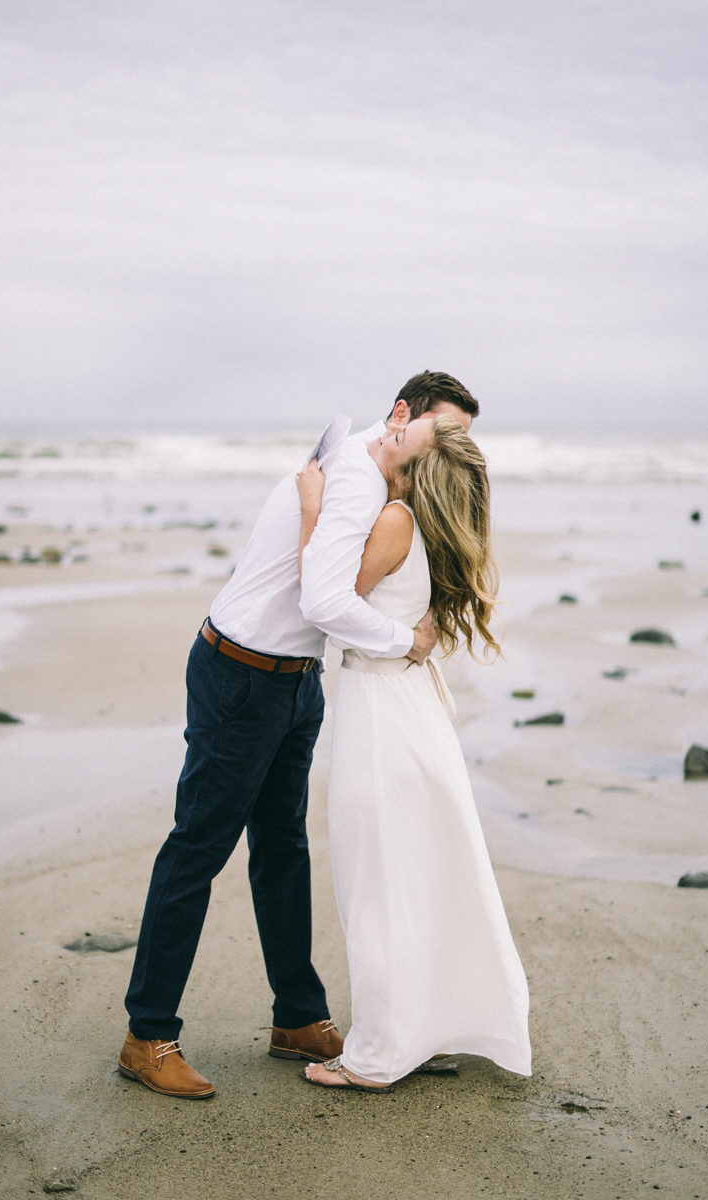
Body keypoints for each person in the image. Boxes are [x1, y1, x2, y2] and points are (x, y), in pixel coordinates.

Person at [118, 372, 479, 1099]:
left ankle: (298, 1018)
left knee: (282, 848)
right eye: (443, 433)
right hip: (241, 675)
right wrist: (404, 642)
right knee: (198, 847)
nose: (448, 449)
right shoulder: (353, 484)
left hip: (293, 681)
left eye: (460, 441)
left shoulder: (376, 485)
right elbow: (323, 597)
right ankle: (146, 1034)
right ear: (401, 416)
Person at [298, 415, 531, 1094]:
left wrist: (313, 506)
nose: (384, 438)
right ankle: (425, 1030)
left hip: (383, 711)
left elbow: (324, 593)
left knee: (376, 880)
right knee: (419, 873)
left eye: (400, 440)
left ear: (415, 468)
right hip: (407, 706)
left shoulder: (397, 518)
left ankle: (375, 1056)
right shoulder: (419, 521)